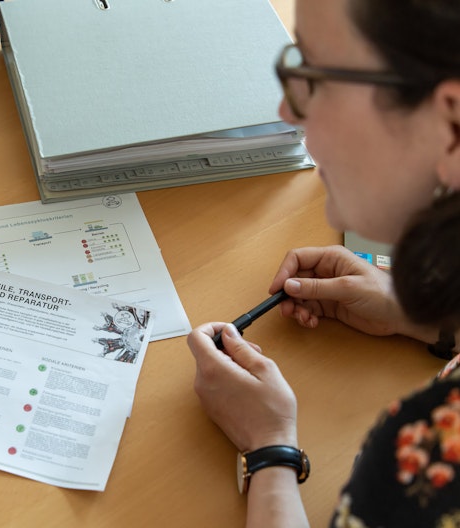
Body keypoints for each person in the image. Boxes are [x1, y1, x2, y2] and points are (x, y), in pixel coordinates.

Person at [187, 0, 460, 526]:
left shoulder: (427, 458)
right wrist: (418, 315)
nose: (289, 111)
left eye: (324, 79)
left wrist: (269, 446)